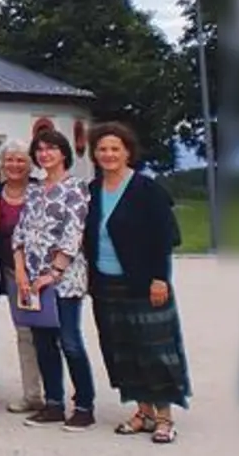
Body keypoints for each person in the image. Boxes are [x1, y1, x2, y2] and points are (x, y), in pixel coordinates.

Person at [85, 122, 190, 445]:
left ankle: (164, 417)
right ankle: (142, 411)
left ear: (128, 151)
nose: (108, 154)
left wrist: (160, 278)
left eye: (115, 148)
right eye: (102, 149)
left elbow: (165, 237)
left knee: (154, 349)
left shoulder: (147, 189)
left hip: (143, 284)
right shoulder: (92, 190)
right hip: (105, 284)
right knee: (121, 349)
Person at [12, 128, 95, 430]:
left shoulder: (76, 188)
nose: (45, 154)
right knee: (42, 342)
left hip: (63, 279)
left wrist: (54, 272)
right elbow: (20, 232)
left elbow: (74, 233)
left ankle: (84, 404)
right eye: (40, 149)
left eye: (51, 149)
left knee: (70, 341)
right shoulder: (34, 189)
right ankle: (54, 403)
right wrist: (21, 270)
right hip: (32, 280)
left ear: (63, 153)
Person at [0, 139, 44, 415]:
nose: (14, 165)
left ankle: (55, 392)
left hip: (44, 275)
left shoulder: (41, 191)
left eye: (21, 160)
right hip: (12, 273)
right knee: (25, 333)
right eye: (10, 159)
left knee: (51, 333)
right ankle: (32, 393)